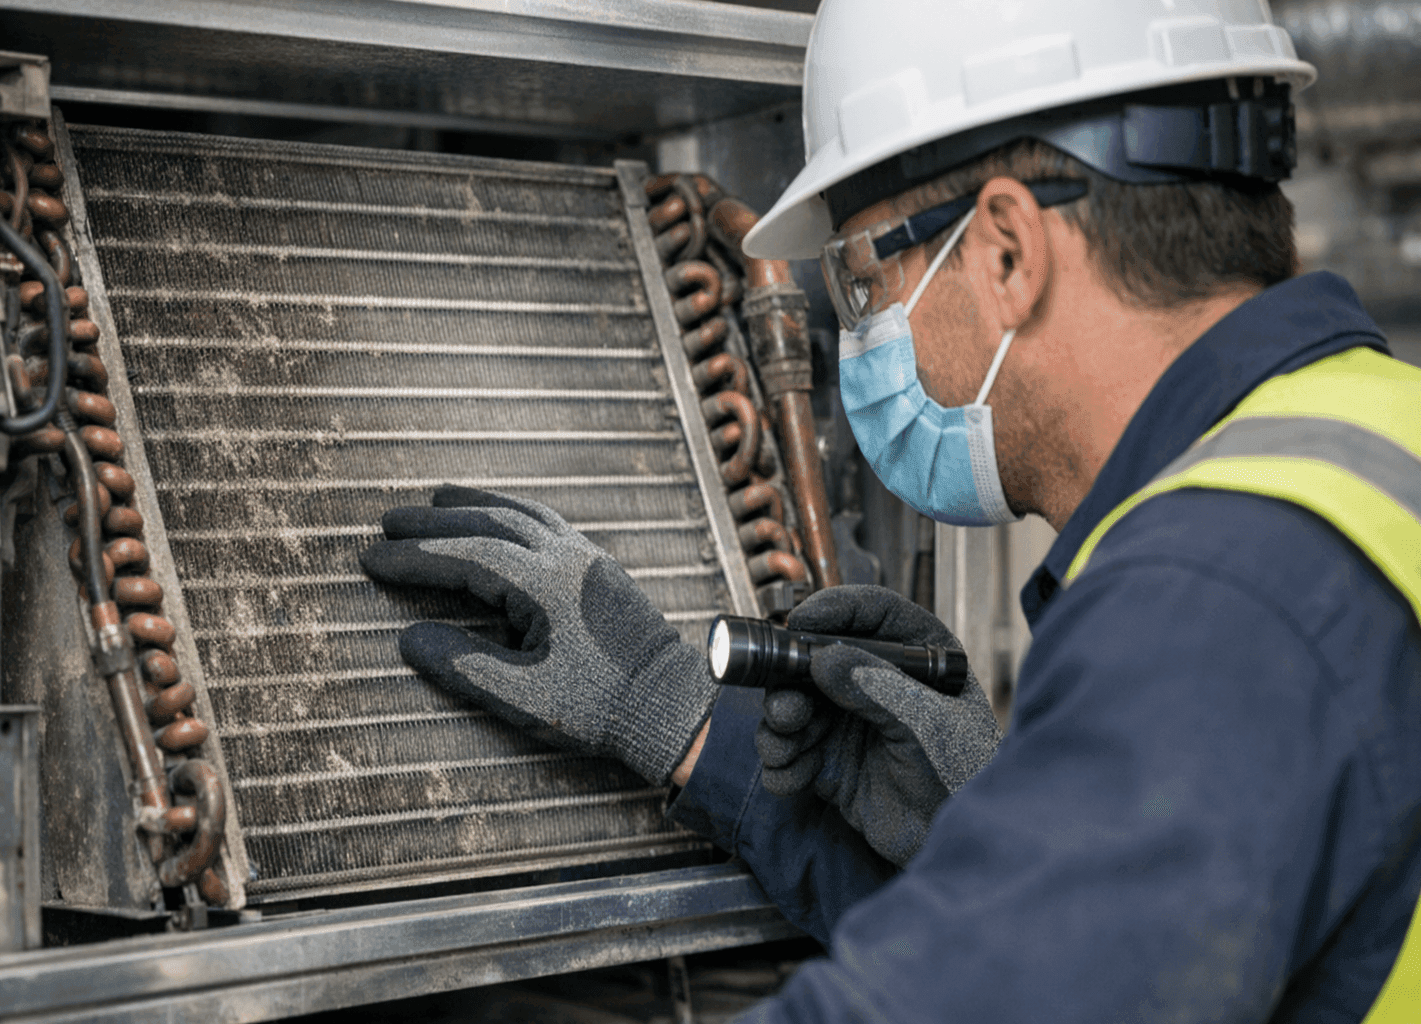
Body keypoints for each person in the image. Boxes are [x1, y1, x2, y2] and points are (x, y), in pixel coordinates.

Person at [359, 0, 1421, 1019]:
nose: (863, 333)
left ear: (1007, 249)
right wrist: (691, 726)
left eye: (867, 281)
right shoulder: (1373, 445)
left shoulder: (1221, 594)